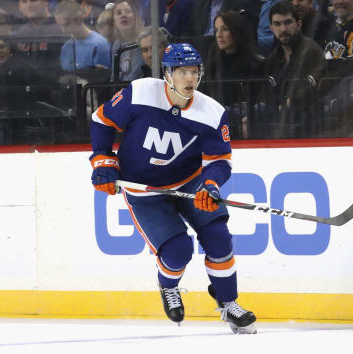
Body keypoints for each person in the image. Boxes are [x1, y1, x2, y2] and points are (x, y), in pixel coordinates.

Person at [88, 42, 257, 334]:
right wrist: (102, 159)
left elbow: (219, 161)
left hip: (190, 183)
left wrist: (210, 184)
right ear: (167, 73)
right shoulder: (140, 93)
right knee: (178, 250)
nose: (190, 79)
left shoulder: (212, 113)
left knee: (218, 238)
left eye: (194, 72)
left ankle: (228, 303)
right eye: (182, 72)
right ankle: (168, 286)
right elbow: (101, 121)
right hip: (145, 191)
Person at [263, 1, 326, 138]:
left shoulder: (311, 51)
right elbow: (266, 93)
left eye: (288, 22)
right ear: (271, 28)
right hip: (278, 117)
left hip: (307, 119)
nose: (283, 29)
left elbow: (310, 88)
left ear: (299, 24)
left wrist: (287, 104)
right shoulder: (272, 59)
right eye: (277, 24)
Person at [205, 10, 265, 139]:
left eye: (225, 29)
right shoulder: (214, 64)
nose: (219, 35)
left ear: (236, 31)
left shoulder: (256, 64)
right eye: (216, 30)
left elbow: (259, 101)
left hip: (245, 117)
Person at [54, 0, 110, 73]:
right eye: (60, 25)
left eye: (65, 24)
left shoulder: (99, 44)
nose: (62, 30)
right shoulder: (66, 47)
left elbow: (102, 78)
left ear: (78, 19)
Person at [14, 0, 63, 84]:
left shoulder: (61, 29)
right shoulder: (21, 33)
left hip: (53, 88)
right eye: (24, 1)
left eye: (33, 0)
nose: (29, 5)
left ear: (46, 1)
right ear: (19, 7)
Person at [110, 0, 144, 81]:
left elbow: (135, 77)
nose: (123, 15)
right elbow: (114, 77)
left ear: (135, 17)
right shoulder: (116, 45)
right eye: (118, 13)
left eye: (127, 11)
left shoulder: (143, 41)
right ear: (114, 22)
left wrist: (120, 78)